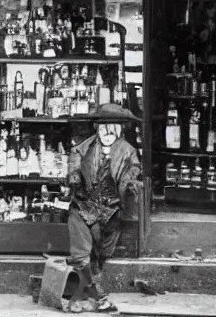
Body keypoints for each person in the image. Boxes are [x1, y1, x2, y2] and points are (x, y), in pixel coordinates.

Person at [66, 118, 143, 313]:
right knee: (81, 252)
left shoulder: (128, 151)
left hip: (111, 211)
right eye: (104, 129)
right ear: (97, 130)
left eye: (112, 130)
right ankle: (99, 297)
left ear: (119, 130)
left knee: (99, 256)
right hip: (85, 205)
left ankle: (83, 295)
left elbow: (134, 171)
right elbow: (74, 168)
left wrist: (131, 184)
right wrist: (74, 179)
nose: (108, 134)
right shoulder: (83, 148)